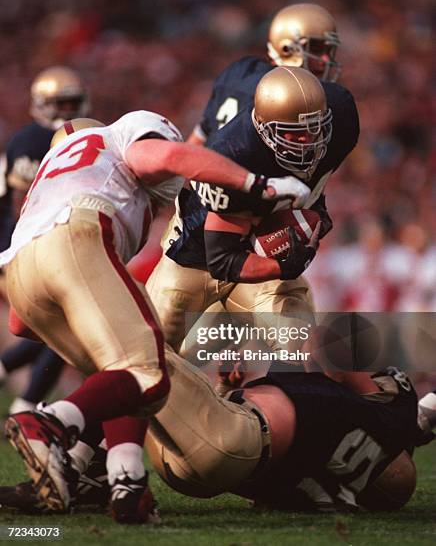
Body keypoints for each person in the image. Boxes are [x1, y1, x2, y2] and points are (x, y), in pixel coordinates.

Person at [0, 110, 311, 522]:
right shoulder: (120, 137)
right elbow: (162, 157)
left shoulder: (49, 180)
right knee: (147, 370)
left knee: (118, 371)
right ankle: (52, 422)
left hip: (20, 272)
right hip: (76, 233)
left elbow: (20, 325)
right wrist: (259, 186)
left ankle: (124, 485)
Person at [0, 351, 418, 515]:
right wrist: (224, 388)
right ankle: (93, 475)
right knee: (139, 372)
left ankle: (57, 427)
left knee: (136, 350)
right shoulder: (338, 470)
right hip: (218, 461)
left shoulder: (366, 413)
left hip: (232, 439)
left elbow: (326, 352)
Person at [146, 66, 359, 357]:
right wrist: (285, 266)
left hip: (260, 257)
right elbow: (223, 260)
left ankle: (260, 397)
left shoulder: (342, 119)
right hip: (197, 259)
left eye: (314, 129)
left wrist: (315, 217)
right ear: (264, 128)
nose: (307, 142)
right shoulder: (233, 153)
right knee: (150, 357)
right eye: (293, 134)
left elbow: (315, 188)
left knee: (298, 345)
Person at [0, 66, 89, 415]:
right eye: (60, 103)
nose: (67, 111)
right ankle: (25, 404)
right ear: (41, 104)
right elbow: (24, 209)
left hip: (53, 246)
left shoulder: (84, 134)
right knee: (61, 326)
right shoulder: (30, 142)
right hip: (22, 248)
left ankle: (20, 397)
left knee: (56, 330)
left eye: (72, 103)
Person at [188, 3, 341, 147]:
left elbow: (200, 137)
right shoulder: (285, 96)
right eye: (316, 49)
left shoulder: (241, 70)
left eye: (328, 50)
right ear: (286, 48)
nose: (325, 59)